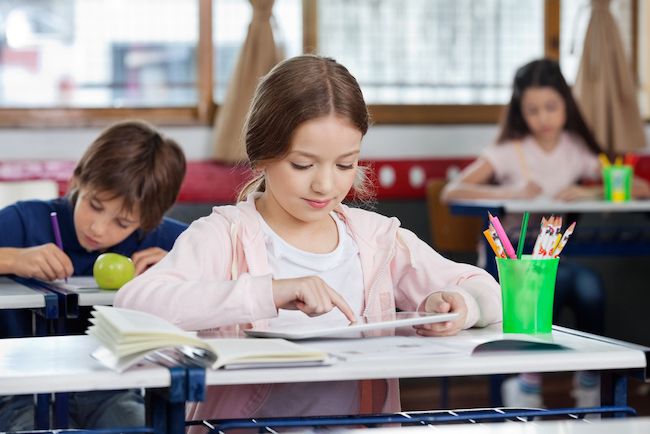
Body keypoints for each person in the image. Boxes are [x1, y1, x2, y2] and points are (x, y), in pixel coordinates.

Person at [115, 54, 502, 429]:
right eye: (303, 165)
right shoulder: (224, 235)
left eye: (345, 164)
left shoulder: (376, 240)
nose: (325, 184)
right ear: (262, 156)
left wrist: (460, 305)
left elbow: (489, 293)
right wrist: (268, 292)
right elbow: (133, 305)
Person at [441, 58, 650, 409]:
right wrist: (509, 193)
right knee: (555, 284)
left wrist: (592, 191)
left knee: (589, 288)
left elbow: (637, 186)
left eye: (551, 107)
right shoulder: (509, 153)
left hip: (554, 259)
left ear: (566, 105)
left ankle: (588, 381)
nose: (544, 118)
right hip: (509, 265)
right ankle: (527, 380)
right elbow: (452, 190)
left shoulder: (574, 150)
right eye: (533, 110)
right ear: (521, 112)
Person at [0, 119, 189, 430]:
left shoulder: (158, 239)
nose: (98, 229)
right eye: (95, 205)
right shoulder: (24, 221)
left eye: (123, 223)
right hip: (24, 391)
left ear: (148, 221)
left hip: (113, 388)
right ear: (77, 181)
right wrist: (12, 259)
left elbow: (240, 266)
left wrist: (183, 266)